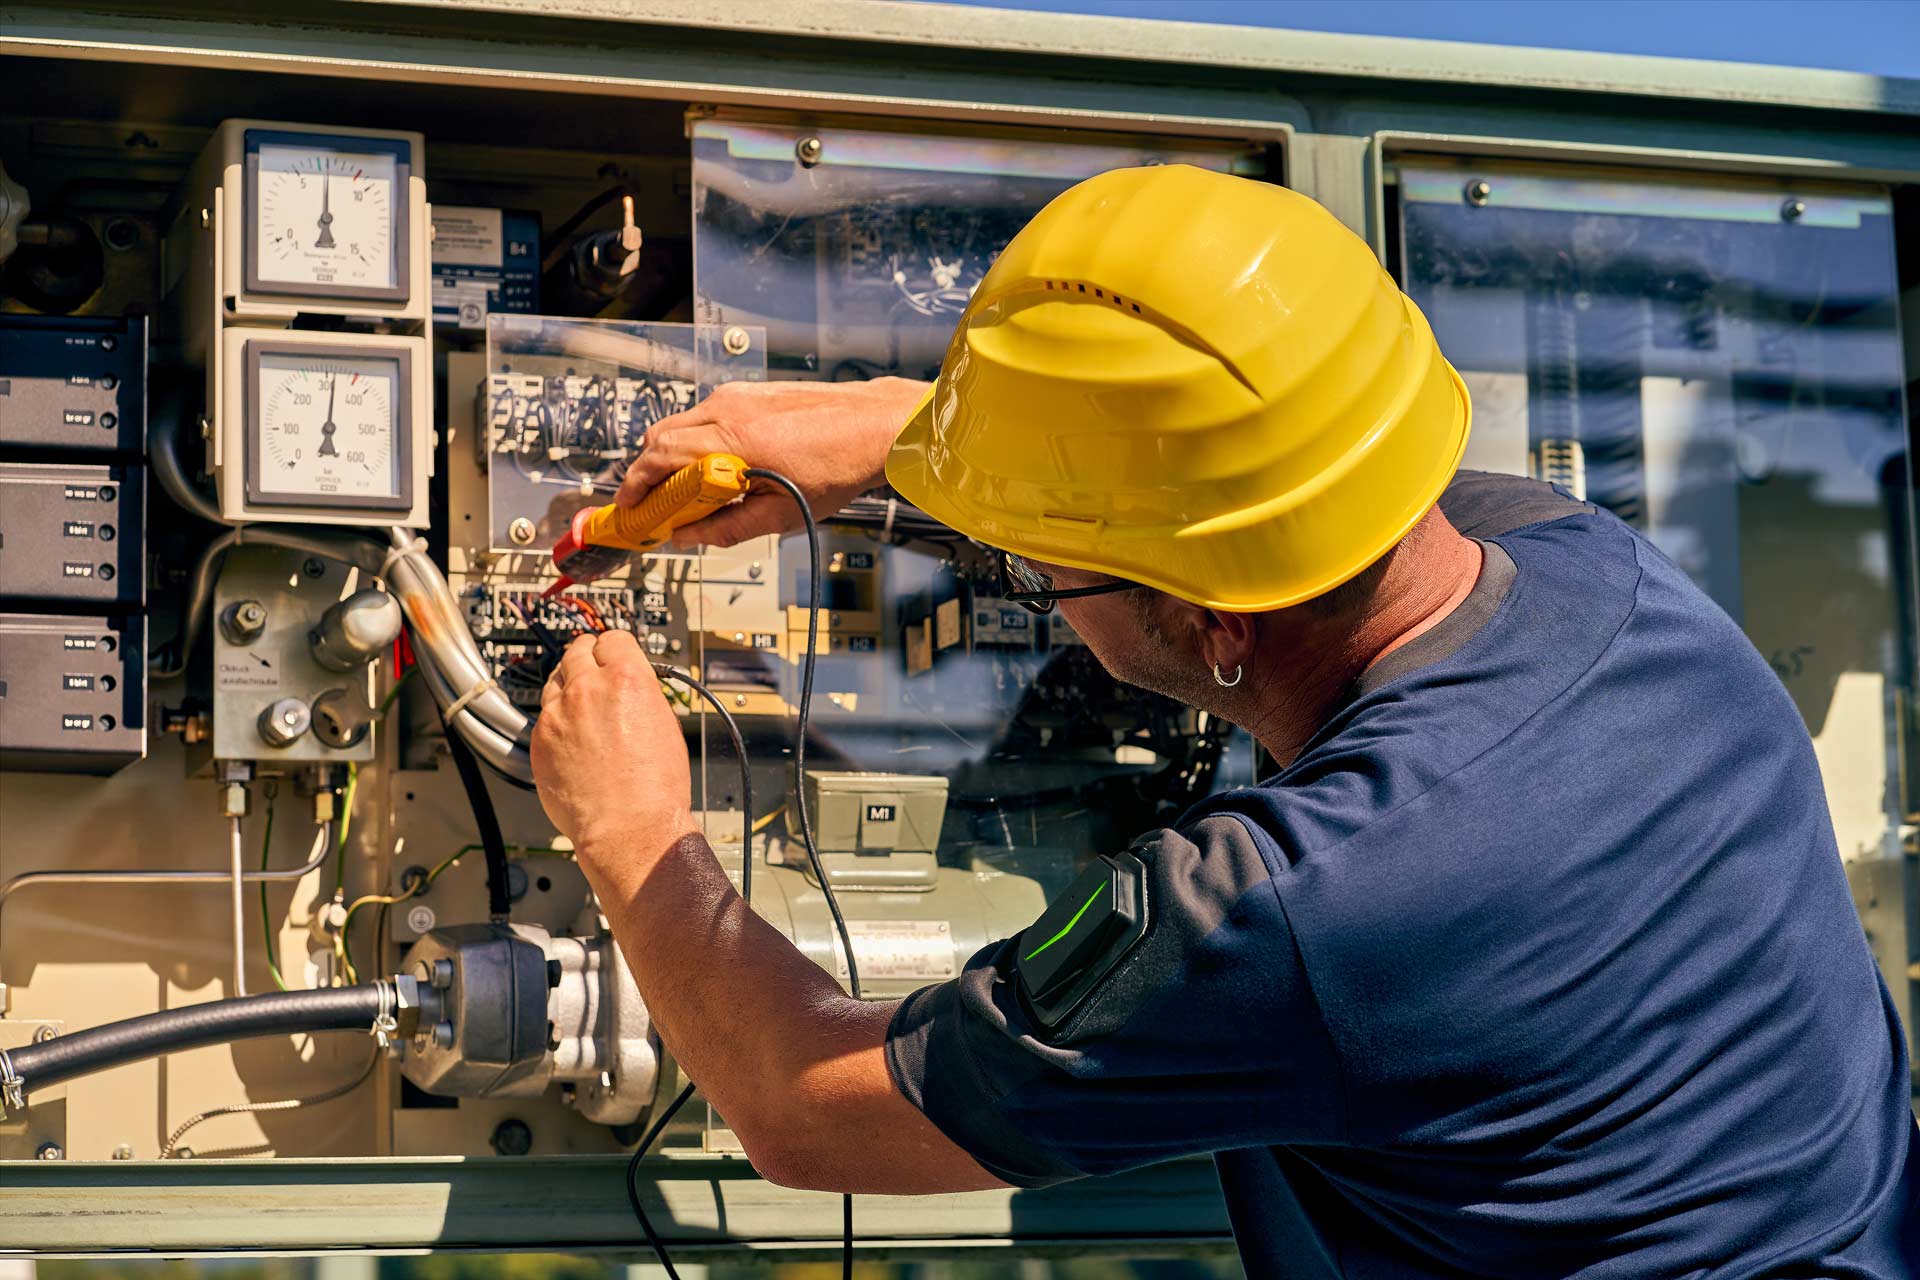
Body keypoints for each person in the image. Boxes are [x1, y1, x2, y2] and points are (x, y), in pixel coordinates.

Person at [529, 166, 1918, 1276]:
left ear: (1214, 626)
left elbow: (797, 1098)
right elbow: (1279, 464)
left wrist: (636, 832)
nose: (1027, 588)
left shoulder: (1307, 907)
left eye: (1038, 572)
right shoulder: (1593, 567)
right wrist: (905, 426)